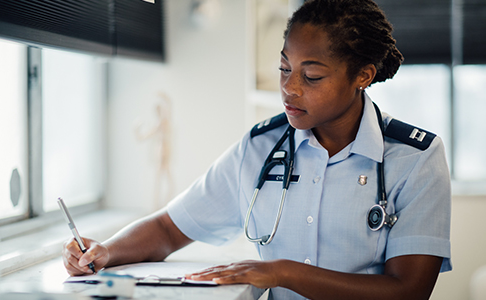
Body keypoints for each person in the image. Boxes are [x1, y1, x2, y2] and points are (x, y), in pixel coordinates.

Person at [62, 0, 452, 299]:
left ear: (363, 76)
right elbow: (168, 228)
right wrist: (106, 252)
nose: (290, 88)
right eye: (285, 68)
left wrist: (283, 273)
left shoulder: (414, 159)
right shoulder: (260, 148)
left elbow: (408, 291)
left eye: (312, 76)